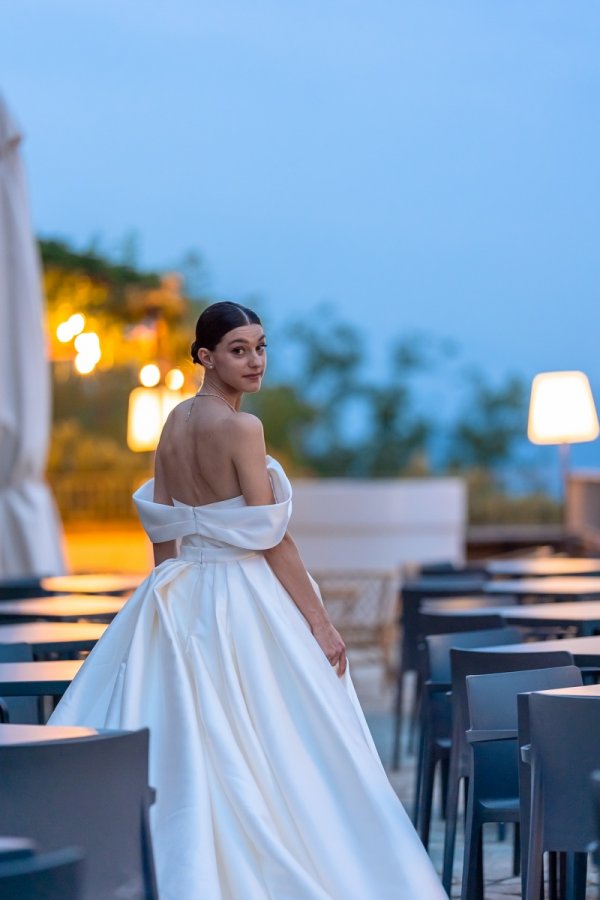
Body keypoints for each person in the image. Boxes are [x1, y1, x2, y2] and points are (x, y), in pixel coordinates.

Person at [50, 301, 446, 900]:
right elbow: (271, 536)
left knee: (192, 734)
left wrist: (163, 600)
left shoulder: (173, 423)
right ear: (205, 357)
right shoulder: (242, 428)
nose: (255, 360)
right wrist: (320, 623)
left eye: (261, 346)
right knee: (277, 734)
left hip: (178, 588)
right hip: (241, 592)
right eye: (239, 349)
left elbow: (163, 533)